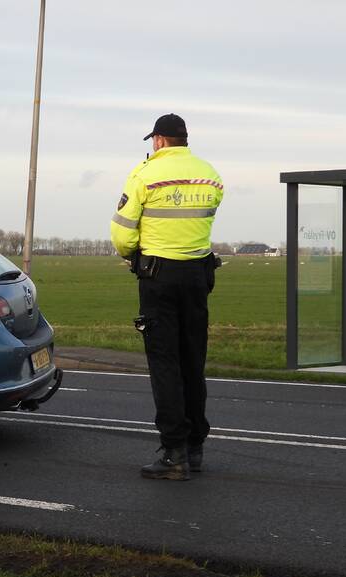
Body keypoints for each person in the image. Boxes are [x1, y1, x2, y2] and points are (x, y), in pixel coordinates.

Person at [109, 113, 224, 481]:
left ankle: (174, 454)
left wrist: (134, 255)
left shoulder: (143, 175)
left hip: (158, 276)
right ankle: (195, 447)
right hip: (197, 275)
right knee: (193, 362)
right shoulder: (211, 175)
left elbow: (123, 234)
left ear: (158, 140)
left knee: (165, 364)